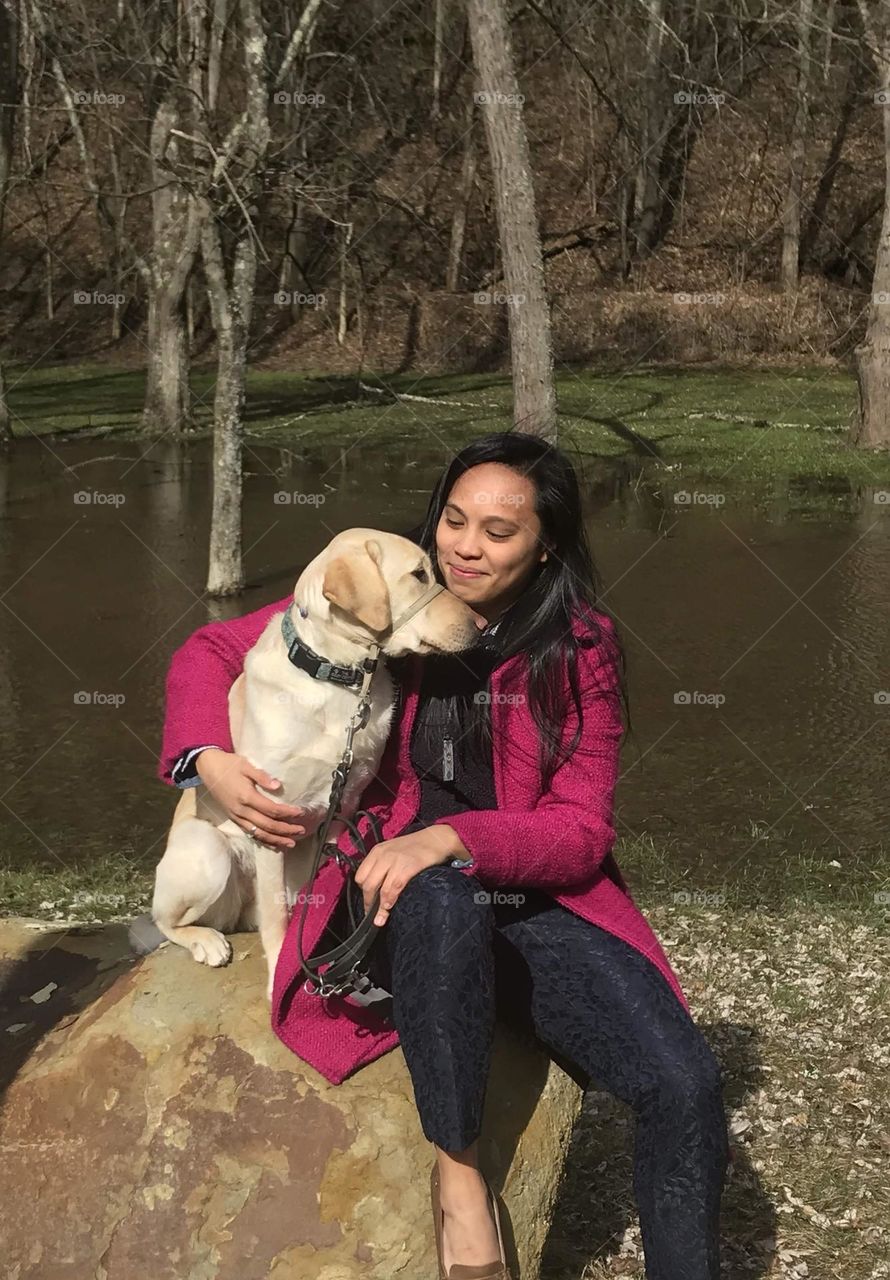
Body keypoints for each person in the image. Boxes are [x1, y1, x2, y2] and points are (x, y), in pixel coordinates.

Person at [158, 431, 730, 1280]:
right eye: (453, 521)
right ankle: (461, 1179)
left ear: (546, 549)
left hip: (535, 900)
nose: (465, 546)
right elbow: (211, 648)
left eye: (498, 533)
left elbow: (580, 832)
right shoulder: (396, 600)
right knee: (440, 894)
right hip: (395, 893)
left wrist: (458, 834)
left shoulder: (581, 648)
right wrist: (207, 757)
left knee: (682, 1083)